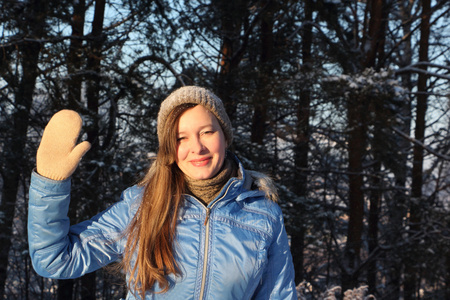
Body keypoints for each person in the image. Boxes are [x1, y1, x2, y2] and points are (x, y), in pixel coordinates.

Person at [28, 86, 296, 299]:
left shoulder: (263, 216)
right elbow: (55, 260)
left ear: (225, 136)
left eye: (207, 132)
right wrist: (50, 186)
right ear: (169, 146)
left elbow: (279, 295)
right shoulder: (141, 207)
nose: (197, 147)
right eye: (181, 138)